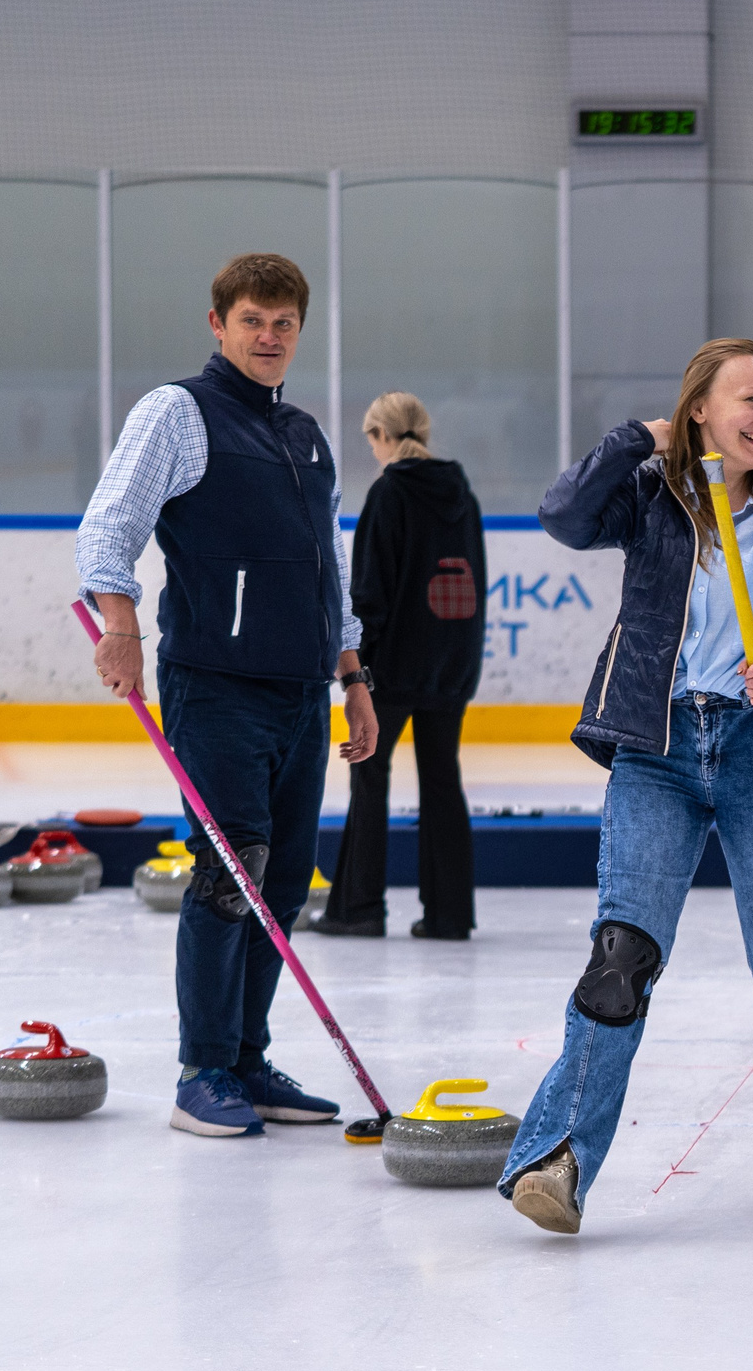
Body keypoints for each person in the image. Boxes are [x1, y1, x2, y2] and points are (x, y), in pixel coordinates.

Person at [497, 338, 753, 1233]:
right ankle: (558, 1158)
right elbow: (562, 514)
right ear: (701, 407)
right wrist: (636, 439)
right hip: (656, 748)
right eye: (748, 400)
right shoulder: (655, 498)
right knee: (621, 958)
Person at [76, 252, 378, 1139]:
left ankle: (248, 1057)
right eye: (253, 320)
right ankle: (202, 1068)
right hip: (216, 688)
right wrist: (122, 628)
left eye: (284, 324)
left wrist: (353, 676)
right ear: (218, 323)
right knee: (230, 871)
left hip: (299, 693)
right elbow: (108, 524)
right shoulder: (178, 411)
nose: (269, 337)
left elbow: (332, 564)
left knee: (282, 881)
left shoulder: (308, 436)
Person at [314, 392, 485, 941]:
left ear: (384, 437)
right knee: (442, 780)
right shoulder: (461, 492)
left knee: (370, 778)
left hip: (391, 666)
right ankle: (450, 914)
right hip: (451, 663)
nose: (372, 452)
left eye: (371, 441)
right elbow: (473, 582)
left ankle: (359, 907)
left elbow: (369, 593)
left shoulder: (390, 493)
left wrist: (357, 669)